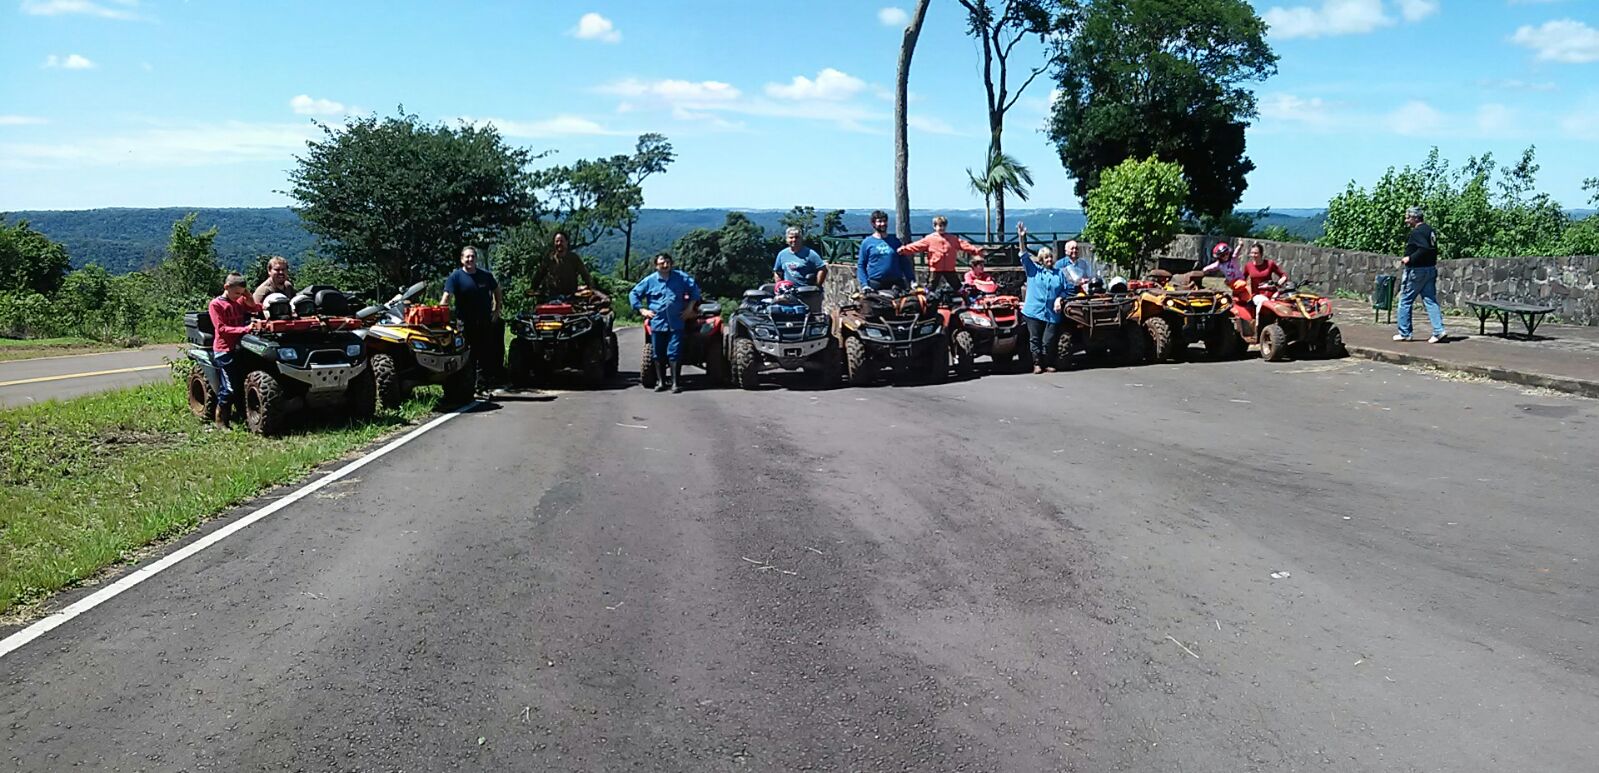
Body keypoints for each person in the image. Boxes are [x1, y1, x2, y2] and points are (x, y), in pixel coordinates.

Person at [630, 252, 703, 394]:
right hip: (658, 322)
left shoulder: (681, 278)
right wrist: (642, 310)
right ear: (656, 265)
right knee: (658, 353)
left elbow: (695, 291)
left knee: (674, 352)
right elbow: (634, 294)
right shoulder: (649, 280)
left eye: (668, 262)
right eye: (662, 262)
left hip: (677, 322)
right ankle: (661, 382)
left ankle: (675, 383)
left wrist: (689, 308)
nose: (665, 265)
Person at [441, 245, 505, 386]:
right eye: (467, 257)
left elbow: (497, 290)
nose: (470, 259)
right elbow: (446, 298)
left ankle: (483, 382)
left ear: (476, 259)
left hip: (484, 321)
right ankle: (467, 384)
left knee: (485, 352)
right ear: (462, 259)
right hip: (464, 323)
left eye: (473, 256)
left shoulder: (486, 276)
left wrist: (496, 309)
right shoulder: (455, 277)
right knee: (466, 353)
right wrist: (441, 315)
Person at [208, 273, 262, 430]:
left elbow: (255, 308)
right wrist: (245, 329)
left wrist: (248, 296)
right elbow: (221, 328)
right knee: (229, 387)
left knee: (240, 384)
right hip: (224, 350)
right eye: (237, 293)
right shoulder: (216, 304)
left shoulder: (238, 302)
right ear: (226, 287)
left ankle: (242, 414)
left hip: (240, 348)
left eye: (241, 293)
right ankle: (220, 420)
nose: (239, 296)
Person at [1016, 222, 1069, 374]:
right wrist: (1022, 238)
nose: (1049, 259)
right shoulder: (1033, 270)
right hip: (1034, 311)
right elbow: (1023, 254)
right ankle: (1037, 363)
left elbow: (1065, 290)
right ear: (1041, 259)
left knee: (1048, 340)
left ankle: (1048, 362)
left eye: (1050, 257)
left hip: (1051, 313)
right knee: (1035, 339)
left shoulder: (1059, 273)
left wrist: (1059, 299)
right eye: (1046, 257)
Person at [1394, 206, 1447, 343]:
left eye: (1408, 217)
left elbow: (1424, 248)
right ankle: (1439, 330)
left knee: (1405, 300)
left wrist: (1410, 258)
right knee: (1430, 300)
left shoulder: (1417, 232)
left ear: (1415, 218)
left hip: (1417, 271)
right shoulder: (1429, 230)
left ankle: (1405, 332)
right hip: (1430, 269)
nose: (1406, 220)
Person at [897, 215, 982, 292]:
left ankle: (967, 301)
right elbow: (917, 245)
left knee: (958, 287)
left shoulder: (952, 239)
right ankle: (927, 302)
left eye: (943, 226)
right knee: (930, 288)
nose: (942, 228)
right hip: (935, 268)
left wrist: (975, 250)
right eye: (939, 226)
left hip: (949, 268)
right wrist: (904, 249)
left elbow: (964, 245)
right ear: (934, 227)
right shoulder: (929, 239)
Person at [530, 230, 605, 303]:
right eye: (557, 241)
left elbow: (585, 275)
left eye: (561, 241)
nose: (559, 243)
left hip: (570, 296)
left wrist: (593, 289)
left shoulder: (573, 258)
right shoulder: (549, 258)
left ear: (566, 242)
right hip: (551, 297)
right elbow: (539, 275)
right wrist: (533, 289)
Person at [855, 210, 913, 292]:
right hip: (875, 284)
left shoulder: (895, 241)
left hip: (896, 283)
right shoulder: (867, 243)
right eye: (879, 221)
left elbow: (904, 262)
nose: (882, 224)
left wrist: (912, 280)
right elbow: (861, 265)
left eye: (884, 221)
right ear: (873, 223)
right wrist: (864, 284)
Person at [1242, 243, 1287, 313]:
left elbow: (1283, 275)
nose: (1253, 255)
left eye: (1256, 253)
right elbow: (1242, 279)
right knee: (1263, 303)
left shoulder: (1270, 264)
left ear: (1261, 254)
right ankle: (1258, 319)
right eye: (1252, 253)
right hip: (1257, 295)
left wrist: (1281, 281)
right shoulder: (1248, 266)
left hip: (1272, 294)